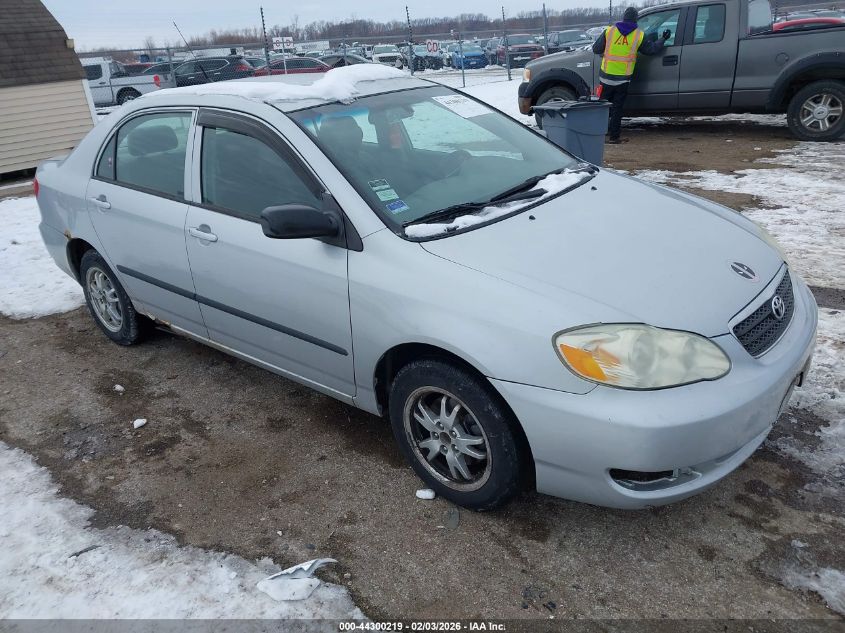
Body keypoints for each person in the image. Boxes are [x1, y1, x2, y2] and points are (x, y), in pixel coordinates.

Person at [592, 8, 671, 144]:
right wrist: (663, 39)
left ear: (623, 18)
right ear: (635, 19)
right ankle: (614, 137)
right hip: (622, 80)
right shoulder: (638, 35)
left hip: (605, 77)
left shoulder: (610, 31)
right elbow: (651, 50)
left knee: (603, 108)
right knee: (617, 109)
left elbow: (596, 49)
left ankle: (596, 135)